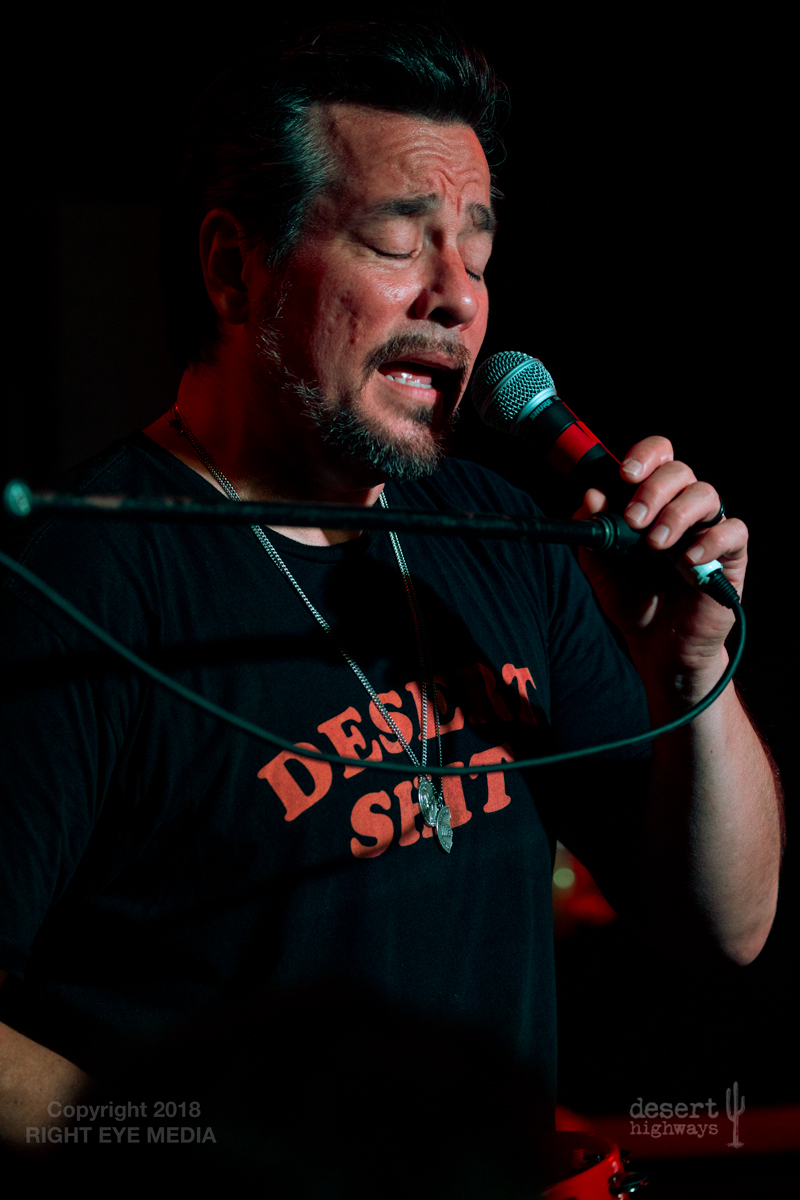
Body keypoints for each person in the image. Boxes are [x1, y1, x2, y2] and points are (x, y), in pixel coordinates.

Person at [0, 18, 783, 1178]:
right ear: (233, 269)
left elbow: (726, 926)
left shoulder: (504, 534)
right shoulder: (75, 588)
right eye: (397, 242)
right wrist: (200, 1149)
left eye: (477, 253)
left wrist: (688, 673)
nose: (458, 298)